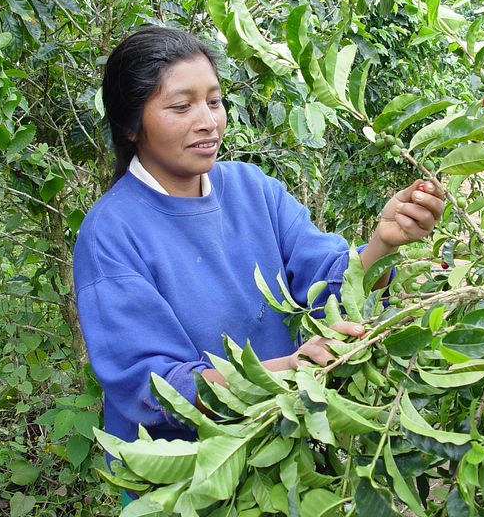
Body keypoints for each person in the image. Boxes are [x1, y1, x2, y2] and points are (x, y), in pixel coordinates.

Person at [72, 24, 443, 457]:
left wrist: (384, 242)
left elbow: (325, 282)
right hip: (187, 479)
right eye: (181, 106)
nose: (208, 122)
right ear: (132, 126)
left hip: (286, 451)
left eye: (214, 101)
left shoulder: (253, 189)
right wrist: (287, 368)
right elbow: (155, 388)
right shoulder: (110, 236)